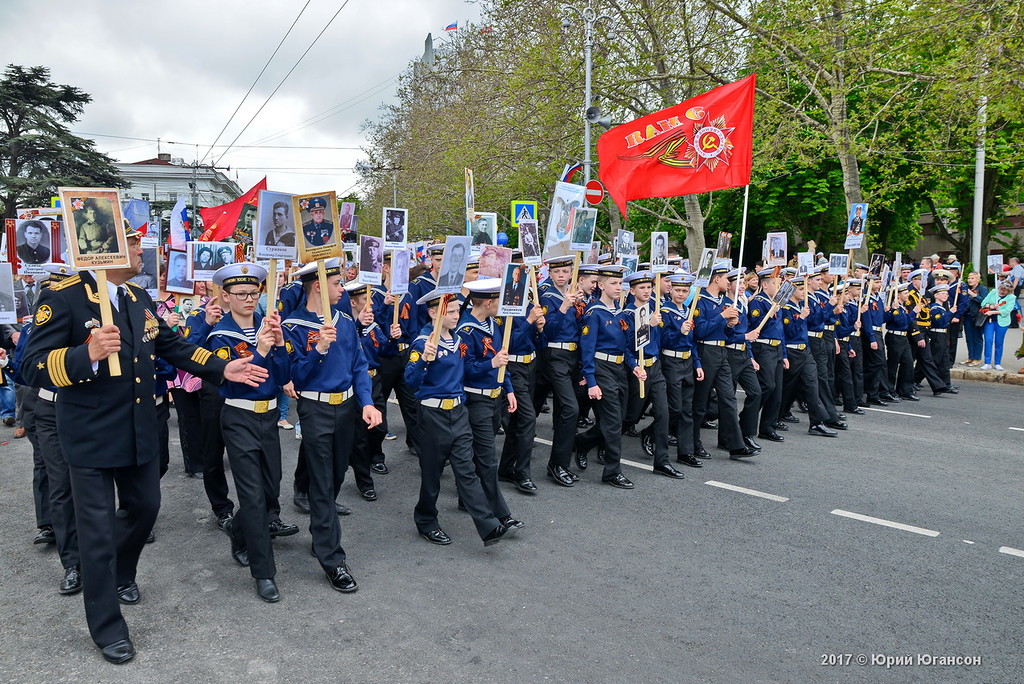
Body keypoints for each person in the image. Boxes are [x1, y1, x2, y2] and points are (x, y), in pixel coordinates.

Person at [20, 223, 267, 664]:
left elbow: (172, 345)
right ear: (107, 250)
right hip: (90, 435)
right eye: (132, 243)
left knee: (145, 508)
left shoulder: (137, 298)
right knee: (95, 534)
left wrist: (222, 367)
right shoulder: (64, 297)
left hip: (137, 430)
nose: (140, 250)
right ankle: (107, 626)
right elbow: (32, 366)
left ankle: (121, 572)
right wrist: (85, 354)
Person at [282, 258, 382, 593]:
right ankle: (331, 557)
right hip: (315, 409)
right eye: (338, 284)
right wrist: (319, 348)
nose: (343, 288)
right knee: (323, 482)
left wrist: (367, 402)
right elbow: (294, 375)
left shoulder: (345, 321)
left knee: (337, 475)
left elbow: (359, 365)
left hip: (348, 408)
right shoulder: (292, 325)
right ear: (318, 288)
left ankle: (320, 529)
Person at [207, 262, 295, 603]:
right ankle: (265, 573)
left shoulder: (266, 325)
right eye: (241, 294)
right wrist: (259, 350)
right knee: (254, 497)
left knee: (271, 488)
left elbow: (285, 374)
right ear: (226, 297)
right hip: (239, 417)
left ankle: (237, 531)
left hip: (268, 417)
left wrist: (280, 343)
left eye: (253, 293)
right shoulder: (221, 336)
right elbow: (240, 379)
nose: (248, 299)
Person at [404, 290, 515, 546]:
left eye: (456, 310)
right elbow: (410, 383)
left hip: (458, 412)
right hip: (433, 414)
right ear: (434, 313)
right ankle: (426, 520)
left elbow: (467, 371)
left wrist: (492, 366)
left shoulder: (455, 340)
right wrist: (423, 360)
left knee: (467, 471)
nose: (456, 315)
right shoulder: (423, 343)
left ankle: (488, 527)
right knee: (431, 476)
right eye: (450, 312)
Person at [457, 279, 523, 528]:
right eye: (499, 301)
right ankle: (501, 513)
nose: (503, 306)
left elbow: (501, 358)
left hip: (494, 397)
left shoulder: (493, 324)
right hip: (475, 399)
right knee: (487, 458)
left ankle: (466, 498)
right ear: (488, 302)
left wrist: (508, 389)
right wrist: (491, 364)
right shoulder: (466, 330)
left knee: (477, 454)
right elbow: (463, 368)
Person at [979, 278, 1015, 370]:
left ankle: (997, 363)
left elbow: (1007, 310)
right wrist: (991, 306)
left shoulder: (1011, 297)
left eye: (1005, 290)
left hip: (1002, 322)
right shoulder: (993, 292)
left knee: (999, 342)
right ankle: (987, 362)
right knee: (988, 340)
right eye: (1002, 289)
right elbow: (983, 303)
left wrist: (993, 312)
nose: (1002, 291)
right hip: (990, 321)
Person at [963, 272, 988, 366]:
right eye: (969, 278)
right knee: (969, 337)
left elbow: (984, 301)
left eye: (972, 278)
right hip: (967, 315)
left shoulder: (982, 289)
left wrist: (973, 295)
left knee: (977, 337)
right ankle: (971, 356)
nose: (970, 280)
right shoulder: (967, 288)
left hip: (977, 316)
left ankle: (977, 358)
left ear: (978, 280)